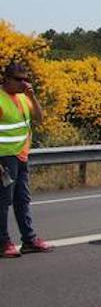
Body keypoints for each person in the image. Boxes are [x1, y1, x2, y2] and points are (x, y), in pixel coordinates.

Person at [0, 61, 52, 258]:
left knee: (22, 199)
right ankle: (3, 242)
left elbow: (39, 118)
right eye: (19, 79)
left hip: (21, 155)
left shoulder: (23, 98)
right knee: (3, 202)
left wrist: (32, 96)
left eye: (26, 79)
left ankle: (29, 240)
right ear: (6, 79)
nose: (23, 83)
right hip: (4, 157)